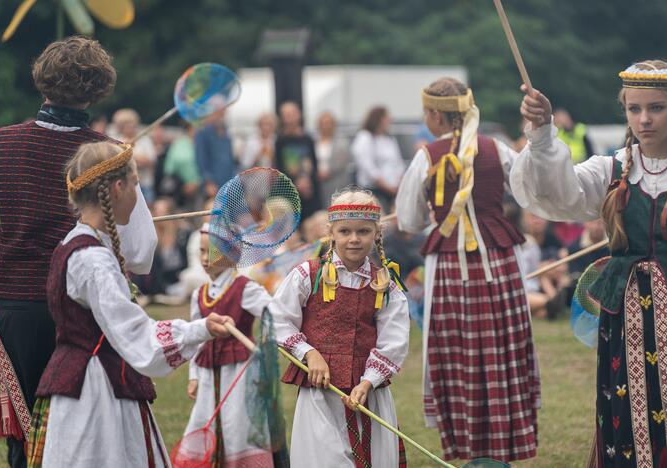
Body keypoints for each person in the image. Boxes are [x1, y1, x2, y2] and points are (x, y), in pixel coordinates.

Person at [513, 60, 667, 466]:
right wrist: (541, 135)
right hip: (626, 330)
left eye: (656, 108)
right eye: (634, 109)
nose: (644, 119)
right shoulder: (613, 170)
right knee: (628, 432)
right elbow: (554, 193)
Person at [0, 36, 158, 468]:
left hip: (18, 306)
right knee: (85, 430)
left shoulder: (3, 143)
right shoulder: (108, 156)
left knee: (28, 431)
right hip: (85, 308)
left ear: (42, 83)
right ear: (98, 89)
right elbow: (141, 254)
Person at [26, 141, 232, 467]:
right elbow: (136, 336)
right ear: (118, 188)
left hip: (83, 382)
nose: (139, 196)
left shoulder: (78, 243)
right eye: (136, 185)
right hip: (95, 394)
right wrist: (201, 329)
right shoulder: (92, 259)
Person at [395, 78, 539, 463]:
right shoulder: (498, 149)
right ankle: (502, 448)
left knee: (458, 352)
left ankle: (472, 449)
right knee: (502, 349)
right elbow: (527, 192)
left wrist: (433, 209)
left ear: (436, 115)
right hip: (499, 262)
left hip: (449, 267)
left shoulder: (426, 156)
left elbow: (408, 220)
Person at [270, 188, 410, 467]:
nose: (354, 239)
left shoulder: (386, 285)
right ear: (330, 233)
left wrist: (369, 381)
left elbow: (394, 341)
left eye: (363, 232)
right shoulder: (307, 275)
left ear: (377, 234)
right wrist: (309, 353)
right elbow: (276, 319)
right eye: (345, 231)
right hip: (321, 390)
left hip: (367, 391)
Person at [183, 224, 274, 466]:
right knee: (205, 418)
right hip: (207, 371)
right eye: (201, 252)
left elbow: (274, 314)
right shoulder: (199, 294)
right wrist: (193, 375)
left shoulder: (245, 288)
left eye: (210, 253)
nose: (204, 259)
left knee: (236, 423)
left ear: (232, 253)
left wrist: (265, 343)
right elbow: (196, 338)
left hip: (239, 370)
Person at [351, 106, 405, 212]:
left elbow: (398, 162)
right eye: (387, 117)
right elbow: (368, 167)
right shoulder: (364, 138)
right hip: (373, 190)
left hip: (393, 190)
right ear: (378, 119)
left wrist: (399, 182)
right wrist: (386, 186)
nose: (390, 120)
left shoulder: (389, 138)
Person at [275, 101, 321, 219]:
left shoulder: (308, 139)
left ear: (299, 115)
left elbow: (314, 165)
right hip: (291, 194)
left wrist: (308, 181)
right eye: (286, 115)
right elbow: (279, 168)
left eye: (292, 114)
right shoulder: (280, 141)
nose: (289, 118)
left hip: (310, 192)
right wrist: (296, 182)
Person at [110, 108, 156, 200]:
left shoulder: (145, 140)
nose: (130, 126)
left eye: (132, 123)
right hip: (124, 186)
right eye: (126, 124)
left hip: (145, 184)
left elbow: (151, 161)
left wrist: (129, 156)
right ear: (121, 126)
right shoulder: (116, 141)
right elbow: (115, 162)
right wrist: (136, 159)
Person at [196, 108, 238, 200]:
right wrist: (208, 182)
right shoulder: (203, 133)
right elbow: (201, 159)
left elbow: (230, 160)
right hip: (212, 184)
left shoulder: (227, 134)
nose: (220, 116)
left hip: (227, 183)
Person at [315, 111, 352, 205]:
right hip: (318, 182)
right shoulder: (314, 141)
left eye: (328, 123)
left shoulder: (342, 141)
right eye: (323, 123)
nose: (326, 126)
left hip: (336, 182)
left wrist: (328, 172)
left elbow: (343, 161)